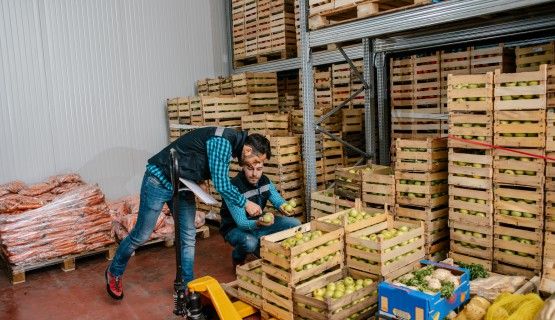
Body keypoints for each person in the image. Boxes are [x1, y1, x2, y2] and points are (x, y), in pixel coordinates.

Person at [105, 127, 270, 300]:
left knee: (188, 235)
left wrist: (200, 178)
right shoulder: (223, 142)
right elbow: (222, 184)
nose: (254, 165)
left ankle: (185, 286)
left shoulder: (230, 145)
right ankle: (114, 272)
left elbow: (195, 156)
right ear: (248, 149)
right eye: (255, 159)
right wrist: (246, 203)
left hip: (183, 183)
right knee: (142, 233)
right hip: (158, 180)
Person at [219, 154, 301, 267]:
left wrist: (283, 206)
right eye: (250, 168)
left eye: (259, 169)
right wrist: (258, 223)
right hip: (235, 228)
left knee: (295, 223)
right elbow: (242, 223)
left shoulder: (265, 181)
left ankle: (261, 245)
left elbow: (277, 199)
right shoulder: (234, 188)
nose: (254, 174)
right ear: (242, 166)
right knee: (250, 242)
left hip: (259, 222)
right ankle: (238, 256)